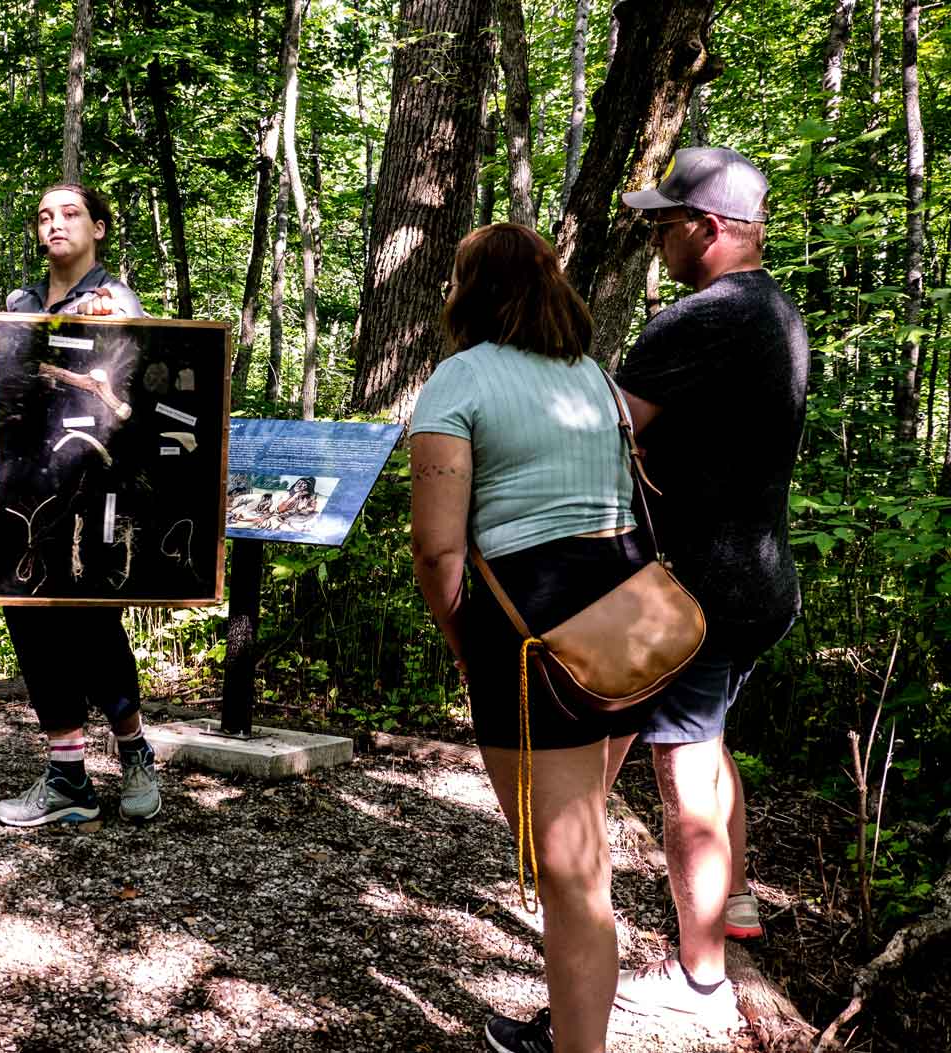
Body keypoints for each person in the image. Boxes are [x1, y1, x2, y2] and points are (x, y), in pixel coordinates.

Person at [410, 223, 663, 1053]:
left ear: (471, 289)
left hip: (536, 639)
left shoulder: (457, 381)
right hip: (630, 626)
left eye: (453, 277)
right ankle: (570, 1023)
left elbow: (440, 549)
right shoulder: (589, 373)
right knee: (577, 851)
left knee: (571, 871)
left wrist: (461, 641)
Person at [603, 147, 809, 1027]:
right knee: (713, 747)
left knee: (682, 771)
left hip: (701, 596)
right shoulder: (777, 312)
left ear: (711, 228)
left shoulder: (701, 316)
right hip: (760, 581)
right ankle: (734, 911)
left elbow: (610, 421)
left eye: (665, 222)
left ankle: (701, 986)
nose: (655, 237)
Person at [0, 183, 162, 827]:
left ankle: (134, 754)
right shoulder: (19, 305)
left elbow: (156, 367)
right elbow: (7, 401)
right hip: (24, 487)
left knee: (90, 619)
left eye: (70, 214)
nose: (55, 224)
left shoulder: (116, 298)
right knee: (30, 617)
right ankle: (68, 777)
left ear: (99, 228)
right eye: (44, 215)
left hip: (93, 486)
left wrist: (124, 327)